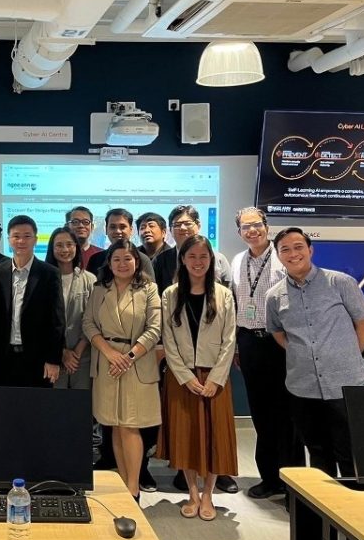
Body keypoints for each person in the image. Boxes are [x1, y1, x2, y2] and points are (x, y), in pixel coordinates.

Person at [266, 227, 364, 479]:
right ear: (278, 256)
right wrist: (299, 353)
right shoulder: (274, 296)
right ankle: (323, 503)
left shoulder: (340, 282)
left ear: (310, 250)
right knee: (317, 453)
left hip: (345, 384)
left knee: (350, 454)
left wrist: (348, 354)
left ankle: (353, 502)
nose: (293, 254)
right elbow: (277, 332)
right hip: (303, 388)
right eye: (285, 249)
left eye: (298, 247)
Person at [153, 205, 237, 494]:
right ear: (183, 259)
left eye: (203, 256)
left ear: (211, 260)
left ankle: (208, 495)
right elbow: (168, 340)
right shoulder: (170, 294)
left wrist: (216, 378)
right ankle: (191, 493)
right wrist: (184, 376)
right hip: (182, 378)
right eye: (192, 256)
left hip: (215, 377)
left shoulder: (223, 294)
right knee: (185, 437)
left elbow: (230, 339)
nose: (197, 262)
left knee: (215, 438)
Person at [230, 208, 303, 499]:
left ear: (266, 226)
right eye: (245, 227)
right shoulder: (238, 261)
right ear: (239, 232)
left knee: (288, 416)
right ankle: (270, 478)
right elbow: (237, 303)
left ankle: (294, 487)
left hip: (280, 342)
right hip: (249, 342)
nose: (252, 231)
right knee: (260, 414)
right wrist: (238, 346)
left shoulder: (283, 257)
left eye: (256, 225)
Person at [82, 239, 162, 500]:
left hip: (136, 364)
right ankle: (125, 481)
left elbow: (154, 329)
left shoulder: (149, 289)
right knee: (114, 426)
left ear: (137, 261)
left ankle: (133, 488)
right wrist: (109, 353)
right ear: (109, 263)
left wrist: (127, 357)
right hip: (107, 362)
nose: (122, 264)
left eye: (127, 258)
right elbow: (89, 324)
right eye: (116, 259)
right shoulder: (99, 289)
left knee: (130, 426)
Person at [0, 215, 65, 387]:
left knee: (35, 404)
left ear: (35, 239)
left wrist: (53, 359)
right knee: (4, 403)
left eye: (27, 236)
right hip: (3, 357)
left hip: (38, 359)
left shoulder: (49, 273)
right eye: (16, 236)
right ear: (9, 239)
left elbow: (57, 321)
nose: (21, 241)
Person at [44, 227, 96, 389]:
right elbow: (41, 321)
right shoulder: (43, 278)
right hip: (52, 357)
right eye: (59, 245)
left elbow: (94, 318)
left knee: (81, 402)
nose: (65, 249)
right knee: (55, 402)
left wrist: (77, 352)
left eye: (69, 244)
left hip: (83, 357)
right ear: (52, 249)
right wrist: (62, 352)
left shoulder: (90, 280)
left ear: (76, 247)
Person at [86, 209, 156, 281]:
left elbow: (149, 287)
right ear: (106, 230)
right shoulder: (95, 259)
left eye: (122, 227)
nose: (117, 231)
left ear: (131, 230)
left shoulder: (143, 260)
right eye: (113, 227)